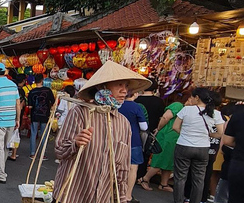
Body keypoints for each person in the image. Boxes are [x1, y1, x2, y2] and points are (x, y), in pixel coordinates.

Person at [53, 61, 151, 203]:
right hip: (71, 195)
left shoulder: (123, 123)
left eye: (126, 86)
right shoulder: (80, 113)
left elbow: (122, 168)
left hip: (102, 198)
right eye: (119, 85)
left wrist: (121, 198)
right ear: (102, 86)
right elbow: (60, 151)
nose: (124, 90)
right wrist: (75, 143)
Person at [171, 87, 225, 203]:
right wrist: (209, 135)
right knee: (199, 178)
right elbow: (220, 133)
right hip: (203, 148)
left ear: (197, 98)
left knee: (180, 177)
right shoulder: (215, 113)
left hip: (183, 146)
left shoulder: (186, 110)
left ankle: (178, 201)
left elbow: (175, 127)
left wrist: (185, 133)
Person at [139, 89, 191, 192]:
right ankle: (145, 179)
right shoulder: (178, 105)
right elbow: (165, 117)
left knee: (168, 160)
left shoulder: (185, 108)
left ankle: (163, 183)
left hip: (173, 138)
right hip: (167, 136)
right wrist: (158, 129)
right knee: (161, 159)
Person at [119, 92, 148, 203]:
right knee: (132, 168)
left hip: (117, 139)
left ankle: (115, 192)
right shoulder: (137, 107)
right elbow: (144, 126)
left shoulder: (116, 105)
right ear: (134, 94)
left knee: (116, 166)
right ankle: (127, 196)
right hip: (133, 140)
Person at [135, 78, 165, 179]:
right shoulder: (159, 102)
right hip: (150, 130)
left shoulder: (136, 100)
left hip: (136, 129)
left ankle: (133, 173)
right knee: (146, 153)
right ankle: (141, 176)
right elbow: (161, 117)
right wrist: (158, 128)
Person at [27, 73, 55, 160]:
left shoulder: (32, 91)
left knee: (34, 133)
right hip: (45, 114)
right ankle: (43, 154)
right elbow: (53, 101)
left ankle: (32, 153)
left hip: (34, 115)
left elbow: (30, 106)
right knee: (44, 134)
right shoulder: (48, 90)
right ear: (42, 81)